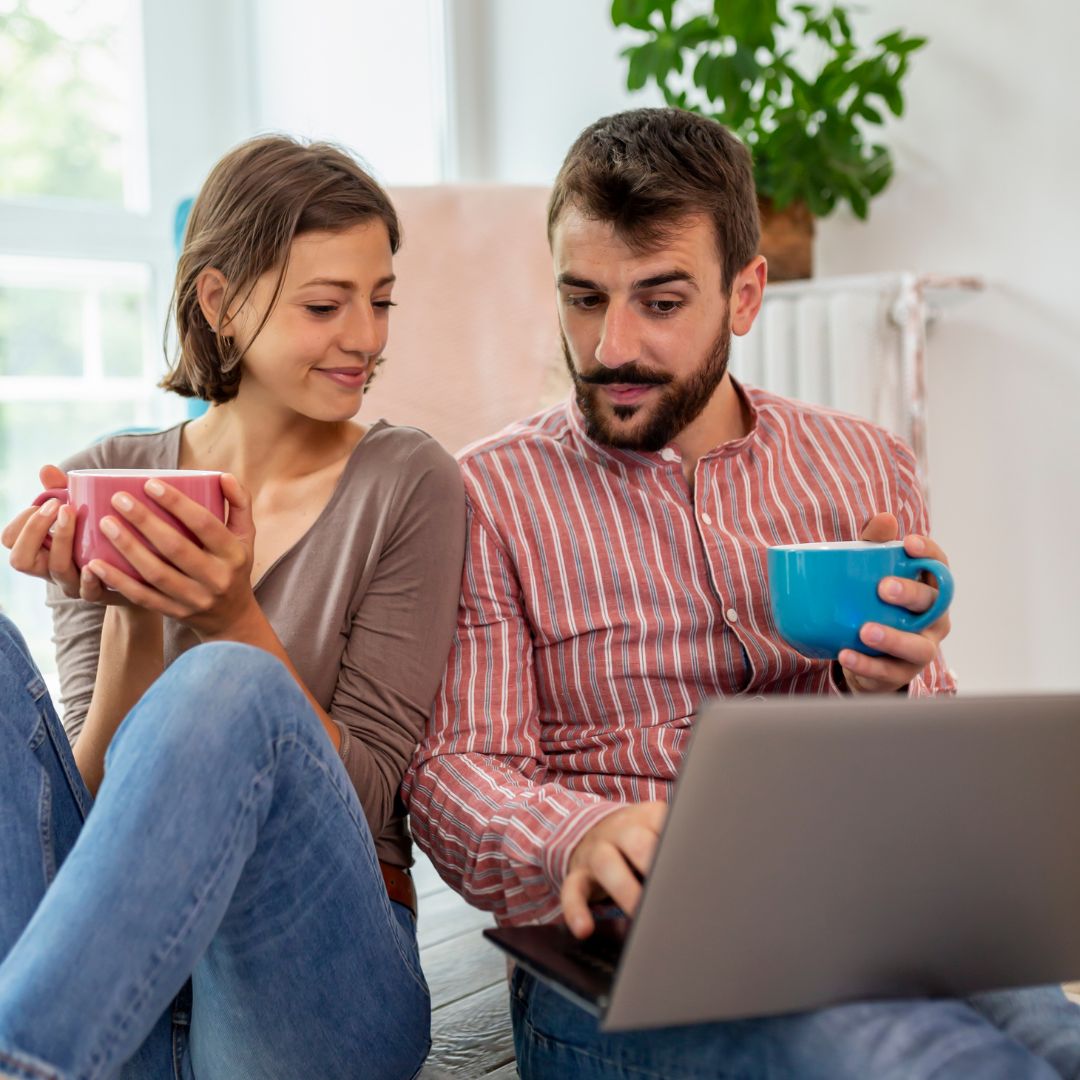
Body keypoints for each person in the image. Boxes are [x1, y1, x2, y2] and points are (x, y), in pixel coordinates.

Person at [403, 108, 1080, 1079]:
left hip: (866, 899)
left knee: (1056, 1038)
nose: (609, 348)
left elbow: (923, 756)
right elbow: (457, 771)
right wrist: (579, 833)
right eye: (584, 298)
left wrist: (886, 688)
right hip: (627, 966)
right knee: (926, 1059)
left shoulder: (862, 464)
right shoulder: (488, 493)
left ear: (747, 293)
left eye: (661, 301)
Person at [0, 135, 465, 1079]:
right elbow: (88, 823)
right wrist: (132, 605)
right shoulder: (108, 477)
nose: (367, 338)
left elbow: (375, 793)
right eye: (325, 306)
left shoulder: (408, 481)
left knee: (229, 680)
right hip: (114, 993)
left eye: (379, 302)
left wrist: (228, 618)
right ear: (219, 303)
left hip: (314, 982)